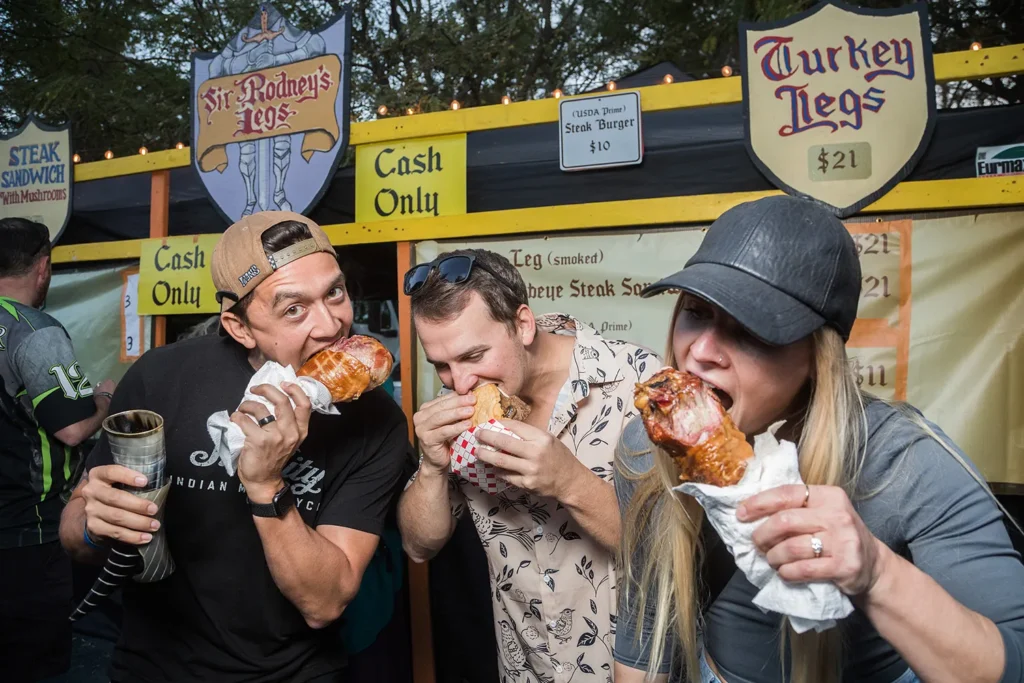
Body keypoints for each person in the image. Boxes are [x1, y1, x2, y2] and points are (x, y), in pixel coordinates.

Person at [613, 196, 1024, 683]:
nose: (700, 353)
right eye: (697, 313)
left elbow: (1013, 662)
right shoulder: (643, 447)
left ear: (817, 356)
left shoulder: (904, 461)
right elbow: (646, 637)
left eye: (749, 329)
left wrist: (877, 573)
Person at [59, 211, 412, 683]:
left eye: (335, 292)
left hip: (294, 673)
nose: (331, 324)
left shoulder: (377, 420)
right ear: (238, 325)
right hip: (151, 666)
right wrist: (91, 527)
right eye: (294, 309)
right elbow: (75, 531)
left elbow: (325, 602)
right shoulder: (162, 377)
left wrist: (265, 484)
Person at [398, 248, 661, 680]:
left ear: (522, 324)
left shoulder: (637, 379)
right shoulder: (455, 410)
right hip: (526, 670)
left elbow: (674, 555)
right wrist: (431, 466)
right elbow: (418, 546)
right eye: (441, 366)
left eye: (473, 356)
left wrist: (569, 481)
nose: (460, 383)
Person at [0, 217, 117, 682]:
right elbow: (72, 428)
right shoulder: (36, 332)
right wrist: (107, 398)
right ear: (43, 268)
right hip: (28, 533)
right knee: (35, 664)